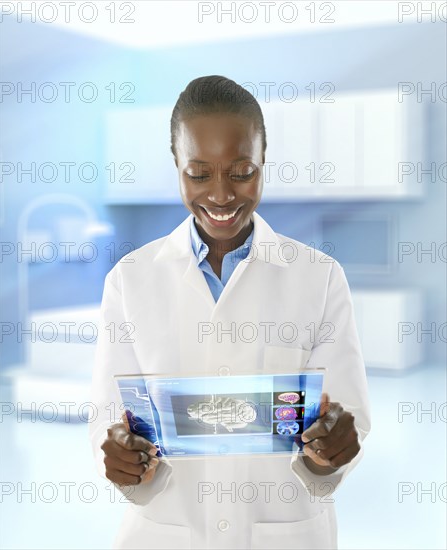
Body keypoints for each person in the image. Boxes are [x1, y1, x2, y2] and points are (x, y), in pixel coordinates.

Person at [89, 75, 371, 550]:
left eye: (241, 171)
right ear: (176, 165)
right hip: (165, 534)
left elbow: (348, 417)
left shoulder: (319, 277)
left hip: (286, 532)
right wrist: (119, 455)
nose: (221, 195)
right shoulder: (130, 279)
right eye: (199, 174)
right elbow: (106, 415)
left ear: (263, 162)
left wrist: (331, 451)